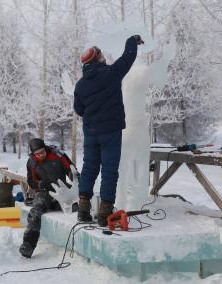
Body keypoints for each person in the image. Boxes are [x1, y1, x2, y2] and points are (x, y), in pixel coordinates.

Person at [73, 35, 143, 226]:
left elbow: (79, 109)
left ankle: (83, 209)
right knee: (110, 170)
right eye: (101, 55)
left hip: (90, 133)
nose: (104, 57)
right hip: (110, 131)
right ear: (97, 58)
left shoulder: (80, 85)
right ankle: (105, 213)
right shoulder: (110, 73)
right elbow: (127, 59)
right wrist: (131, 42)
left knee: (89, 168)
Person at [19, 138, 74, 258]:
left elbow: (72, 170)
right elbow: (31, 181)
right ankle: (28, 244)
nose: (40, 155)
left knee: (77, 204)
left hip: (62, 188)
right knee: (36, 211)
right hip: (44, 192)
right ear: (33, 154)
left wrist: (73, 176)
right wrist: (39, 184)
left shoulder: (58, 155)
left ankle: (55, 204)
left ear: (46, 148)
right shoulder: (31, 162)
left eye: (42, 152)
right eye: (37, 154)